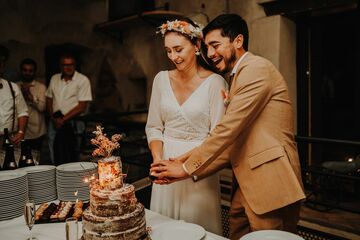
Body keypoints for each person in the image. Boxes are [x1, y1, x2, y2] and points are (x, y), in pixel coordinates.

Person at [151, 14, 306, 240]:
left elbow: (226, 130)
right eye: (207, 47)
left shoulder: (256, 69)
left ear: (238, 41)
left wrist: (185, 168)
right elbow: (233, 138)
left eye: (215, 45)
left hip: (269, 181)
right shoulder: (237, 76)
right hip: (244, 182)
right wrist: (179, 162)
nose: (211, 54)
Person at [146, 19, 227, 234]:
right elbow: (154, 126)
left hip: (199, 168)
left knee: (197, 230)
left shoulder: (215, 83)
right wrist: (158, 161)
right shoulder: (160, 80)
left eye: (178, 49)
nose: (173, 57)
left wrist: (182, 166)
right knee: (164, 230)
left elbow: (218, 137)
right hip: (165, 169)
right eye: (168, 51)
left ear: (197, 46)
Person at [45, 52, 92, 165]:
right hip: (55, 122)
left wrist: (63, 119)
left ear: (75, 65)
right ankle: (57, 177)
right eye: (65, 65)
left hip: (73, 122)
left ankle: (72, 180)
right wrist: (53, 117)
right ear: (60, 66)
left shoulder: (83, 80)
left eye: (71, 64)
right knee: (54, 152)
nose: (68, 67)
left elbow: (82, 106)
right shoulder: (54, 78)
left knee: (73, 154)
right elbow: (49, 98)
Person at [0, 45, 28, 146]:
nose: (1, 64)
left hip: (9, 139)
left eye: (2, 61)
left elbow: (22, 112)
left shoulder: (12, 87)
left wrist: (21, 132)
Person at [18, 58, 47, 154]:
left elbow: (42, 108)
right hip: (19, 131)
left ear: (34, 72)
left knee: (35, 161)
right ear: (21, 71)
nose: (27, 73)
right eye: (25, 70)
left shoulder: (41, 87)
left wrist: (30, 97)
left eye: (30, 71)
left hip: (36, 132)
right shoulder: (14, 86)